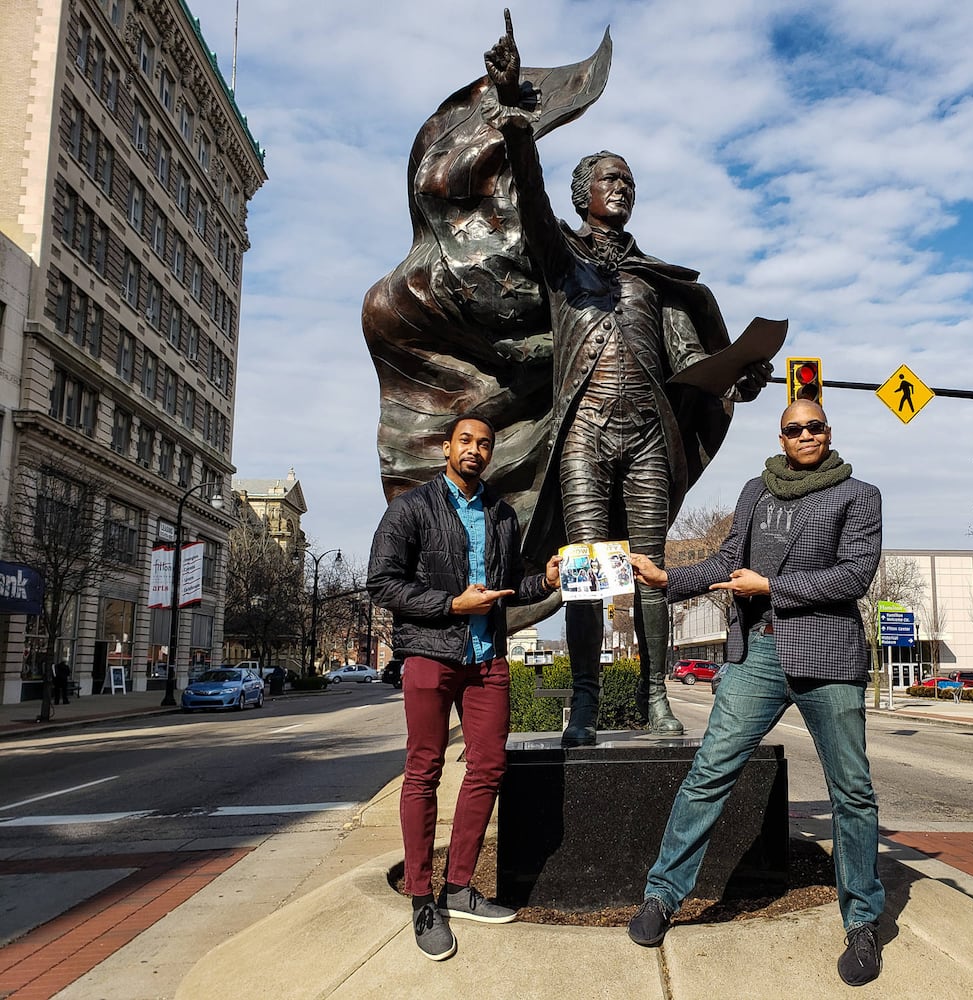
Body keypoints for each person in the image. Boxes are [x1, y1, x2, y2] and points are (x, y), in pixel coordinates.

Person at [485, 14, 771, 747]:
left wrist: (741, 376)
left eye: (630, 182)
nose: (622, 189)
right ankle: (583, 701)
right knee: (587, 571)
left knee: (644, 571)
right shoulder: (563, 263)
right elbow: (530, 200)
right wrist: (519, 125)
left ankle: (651, 698)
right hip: (583, 432)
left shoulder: (655, 282)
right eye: (610, 178)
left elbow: (697, 367)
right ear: (584, 190)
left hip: (648, 433)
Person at [625, 399, 886, 988]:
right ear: (782, 437)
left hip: (828, 655)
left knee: (852, 791)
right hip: (757, 652)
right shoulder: (756, 492)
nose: (805, 435)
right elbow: (724, 561)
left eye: (815, 426)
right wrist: (669, 579)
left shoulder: (859, 495)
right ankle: (663, 895)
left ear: (828, 431)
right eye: (795, 429)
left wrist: (772, 585)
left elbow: (853, 575)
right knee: (710, 770)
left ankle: (863, 921)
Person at [367, 411, 562, 961]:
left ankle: (457, 887)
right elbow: (381, 582)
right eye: (465, 441)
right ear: (446, 447)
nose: (475, 450)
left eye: (484, 443)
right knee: (424, 769)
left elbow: (509, 587)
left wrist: (542, 581)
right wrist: (452, 605)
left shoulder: (501, 513)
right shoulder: (411, 508)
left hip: (487, 659)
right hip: (431, 655)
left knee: (489, 767)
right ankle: (421, 897)